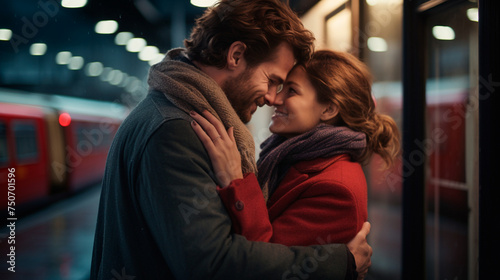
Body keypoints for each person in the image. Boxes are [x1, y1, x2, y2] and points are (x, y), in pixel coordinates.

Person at [91, 0, 372, 279]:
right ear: (236, 55)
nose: (273, 98)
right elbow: (214, 265)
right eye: (272, 80)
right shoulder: (177, 130)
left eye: (287, 88)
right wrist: (341, 262)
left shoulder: (171, 112)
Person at [191, 49, 400, 276]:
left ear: (329, 109)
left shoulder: (336, 188)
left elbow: (264, 264)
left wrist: (235, 181)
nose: (275, 99)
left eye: (291, 91)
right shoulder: (292, 157)